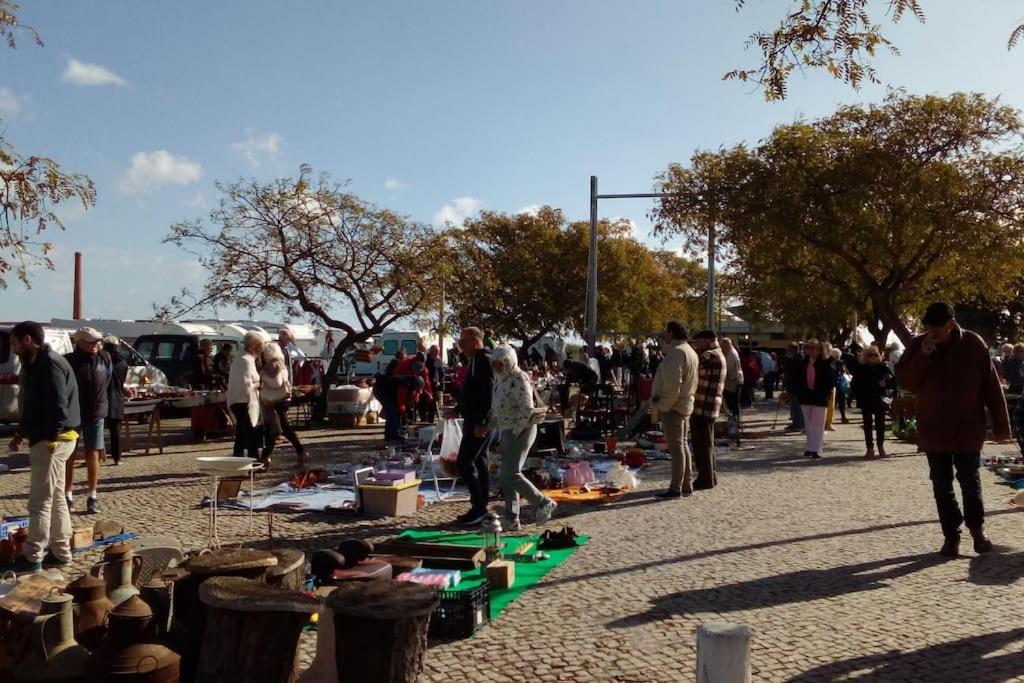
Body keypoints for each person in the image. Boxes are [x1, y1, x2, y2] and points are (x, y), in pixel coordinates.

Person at [896, 302, 1010, 558]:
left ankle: (977, 530)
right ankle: (951, 535)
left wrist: (1002, 426)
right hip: (934, 428)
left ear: (951, 323)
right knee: (941, 484)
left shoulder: (973, 343)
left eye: (938, 327)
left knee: (970, 482)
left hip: (968, 428)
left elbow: (991, 386)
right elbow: (905, 380)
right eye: (929, 327)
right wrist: (923, 356)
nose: (933, 331)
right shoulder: (918, 345)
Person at [6, 322, 80, 572]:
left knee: (40, 500)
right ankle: (61, 552)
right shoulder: (33, 364)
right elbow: (33, 405)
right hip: (51, 437)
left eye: (14, 342)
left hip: (55, 441)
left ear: (27, 340)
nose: (13, 348)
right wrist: (20, 433)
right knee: (57, 496)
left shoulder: (50, 364)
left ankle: (33, 555)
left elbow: (59, 408)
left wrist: (49, 438)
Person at [485, 345, 557, 530]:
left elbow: (526, 408)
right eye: (495, 364)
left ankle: (543, 502)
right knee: (505, 477)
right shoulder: (499, 380)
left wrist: (515, 432)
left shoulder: (519, 377)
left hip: (522, 430)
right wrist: (488, 426)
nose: (498, 367)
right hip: (507, 430)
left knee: (511, 474)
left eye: (501, 364)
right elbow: (499, 410)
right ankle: (512, 517)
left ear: (509, 361)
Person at [651, 321, 700, 499]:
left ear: (671, 333)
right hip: (684, 403)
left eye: (666, 332)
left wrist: (664, 405)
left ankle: (676, 487)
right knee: (683, 444)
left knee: (676, 446)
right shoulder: (690, 351)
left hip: (674, 406)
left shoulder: (677, 353)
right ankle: (686, 484)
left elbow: (673, 384)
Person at [64, 327, 110, 514]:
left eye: (98, 341)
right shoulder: (68, 361)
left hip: (96, 412)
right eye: (91, 341)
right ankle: (67, 494)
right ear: (79, 342)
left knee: (93, 452)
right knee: (69, 454)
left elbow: (107, 381)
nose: (95, 344)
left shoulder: (104, 358)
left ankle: (92, 495)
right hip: (73, 413)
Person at [453, 327, 493, 525]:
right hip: (473, 419)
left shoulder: (483, 361)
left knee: (464, 462)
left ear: (476, 341)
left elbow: (487, 394)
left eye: (464, 343)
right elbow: (471, 392)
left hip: (479, 422)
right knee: (479, 461)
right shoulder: (475, 361)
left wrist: (482, 422)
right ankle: (481, 504)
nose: (461, 348)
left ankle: (479, 506)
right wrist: (458, 408)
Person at [260, 342, 305, 470]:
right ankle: (265, 457)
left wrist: (262, 377)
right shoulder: (281, 363)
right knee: (278, 429)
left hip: (276, 400)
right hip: (282, 399)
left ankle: (300, 452)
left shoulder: (273, 365)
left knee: (280, 428)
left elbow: (276, 382)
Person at [690, 330, 726, 491]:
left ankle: (705, 478)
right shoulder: (719, 353)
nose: (697, 344)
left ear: (707, 340)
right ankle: (711, 475)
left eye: (699, 341)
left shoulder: (708, 356)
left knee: (701, 445)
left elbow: (694, 374)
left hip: (702, 405)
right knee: (708, 443)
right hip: (711, 404)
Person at [227, 331, 264, 460]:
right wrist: (258, 384)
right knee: (249, 434)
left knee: (243, 434)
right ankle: (251, 461)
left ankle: (243, 460)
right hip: (244, 401)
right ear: (254, 346)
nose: (262, 349)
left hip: (241, 400)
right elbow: (246, 384)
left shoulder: (244, 359)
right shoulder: (245, 361)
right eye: (261, 345)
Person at [852, 345, 894, 459]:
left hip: (879, 399)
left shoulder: (883, 367)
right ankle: (869, 448)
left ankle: (881, 447)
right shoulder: (861, 368)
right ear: (866, 357)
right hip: (866, 399)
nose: (873, 357)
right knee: (868, 425)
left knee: (880, 424)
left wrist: (886, 383)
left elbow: (893, 381)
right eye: (870, 355)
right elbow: (855, 385)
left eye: (876, 354)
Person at [796, 339, 834, 460]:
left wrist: (824, 393)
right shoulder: (802, 363)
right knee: (808, 424)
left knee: (818, 424)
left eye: (813, 348)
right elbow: (797, 378)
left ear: (819, 350)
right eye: (809, 348)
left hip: (819, 397)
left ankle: (816, 449)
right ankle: (809, 447)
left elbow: (830, 381)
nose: (811, 350)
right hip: (806, 397)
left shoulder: (825, 363)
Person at [103, 336, 129, 466]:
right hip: (117, 397)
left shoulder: (101, 360)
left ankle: (97, 455)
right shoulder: (123, 362)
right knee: (116, 431)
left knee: (96, 430)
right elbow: (122, 381)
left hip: (103, 397)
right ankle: (117, 457)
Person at [720, 338, 743, 432]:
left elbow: (726, 369)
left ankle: (735, 422)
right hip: (731, 381)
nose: (722, 348)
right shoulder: (730, 353)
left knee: (732, 403)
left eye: (723, 345)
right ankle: (734, 420)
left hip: (733, 381)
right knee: (732, 403)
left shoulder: (731, 355)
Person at [782, 342, 805, 432]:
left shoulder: (800, 359)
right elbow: (787, 372)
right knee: (793, 407)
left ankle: (800, 425)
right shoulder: (789, 359)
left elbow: (798, 373)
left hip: (798, 386)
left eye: (789, 349)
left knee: (799, 407)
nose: (787, 351)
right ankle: (795, 423)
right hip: (791, 386)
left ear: (794, 350)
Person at [828, 347, 849, 425]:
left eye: (839, 356)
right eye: (837, 356)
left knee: (841, 401)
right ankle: (830, 418)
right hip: (832, 385)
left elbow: (844, 371)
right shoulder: (829, 362)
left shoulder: (840, 362)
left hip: (839, 384)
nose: (838, 358)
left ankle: (843, 416)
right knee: (833, 402)